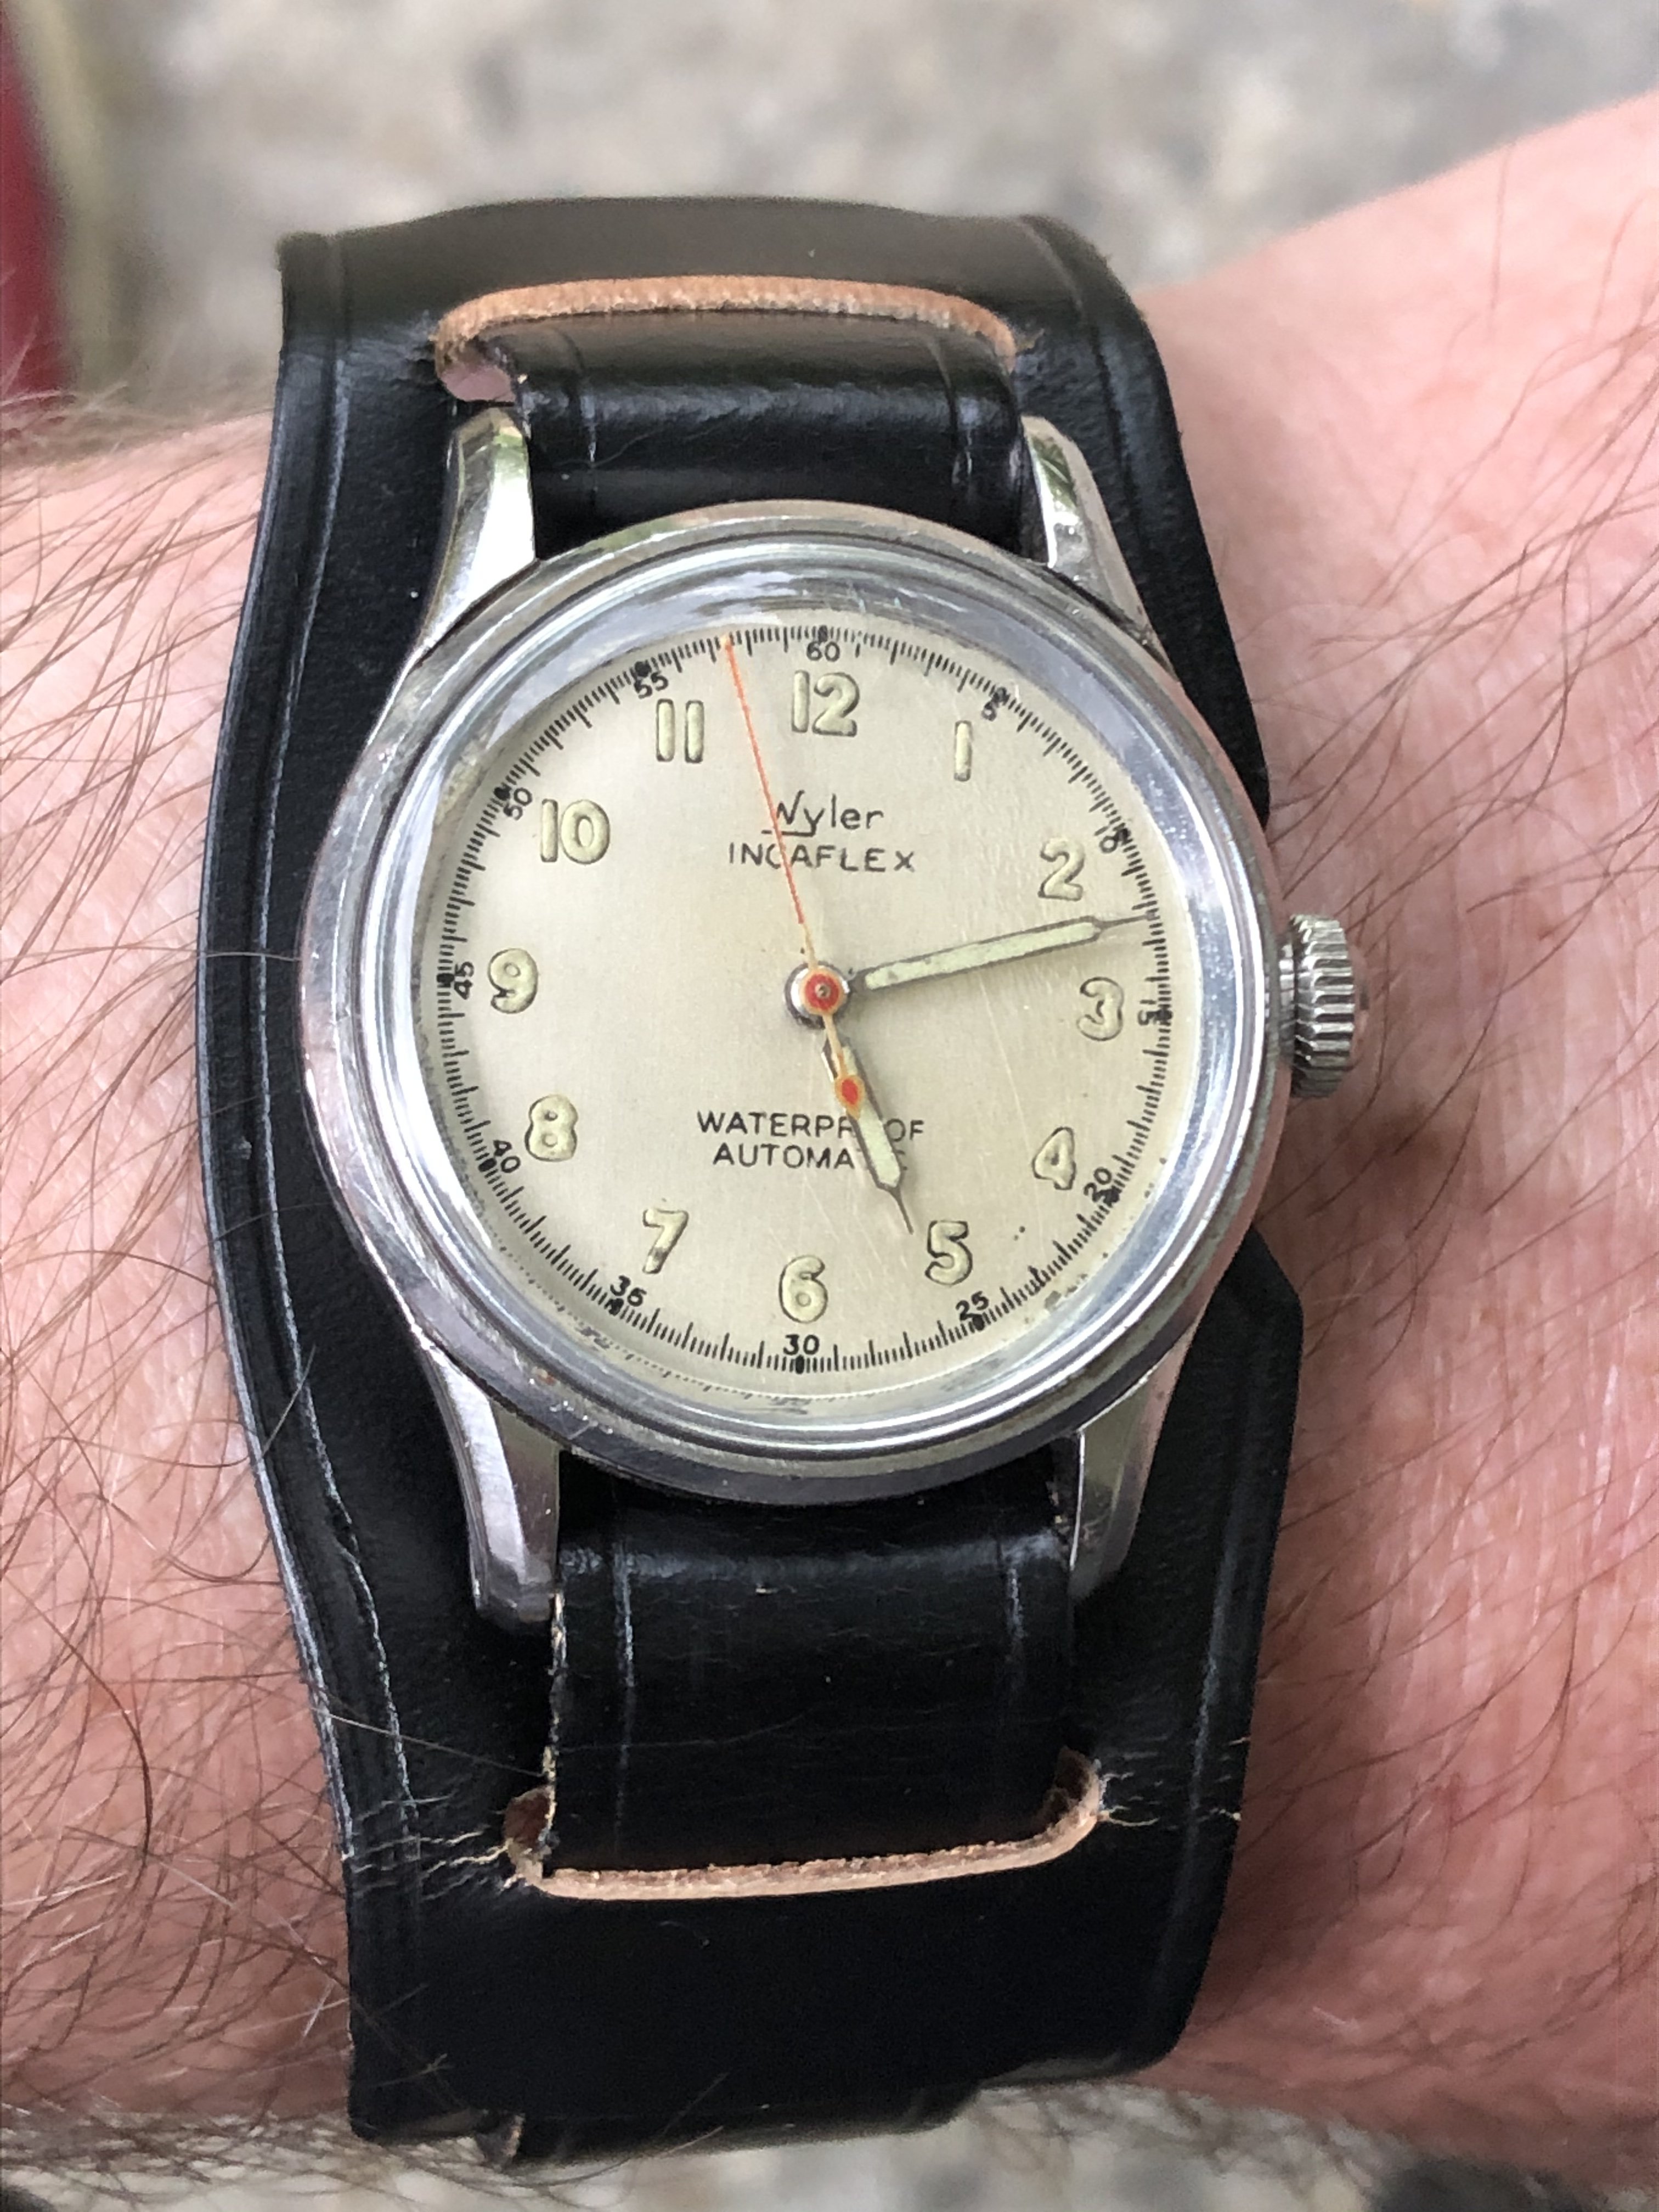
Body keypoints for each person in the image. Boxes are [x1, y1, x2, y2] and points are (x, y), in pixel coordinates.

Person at [2, 95, 1652, 2192]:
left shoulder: (1086, 1494)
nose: (828, 996)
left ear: (1281, 1004)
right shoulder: (596, 529)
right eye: (830, 988)